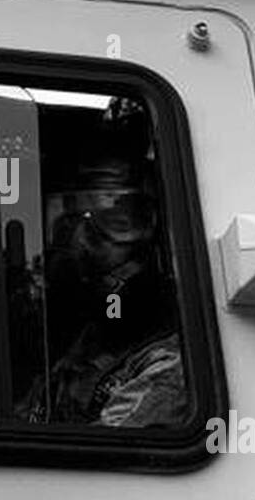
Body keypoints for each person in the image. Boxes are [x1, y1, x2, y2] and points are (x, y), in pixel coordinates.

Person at [20, 120, 190, 429]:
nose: (84, 242)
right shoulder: (86, 341)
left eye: (118, 223)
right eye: (71, 222)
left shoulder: (173, 362)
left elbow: (82, 466)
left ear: (155, 236)